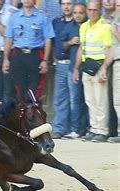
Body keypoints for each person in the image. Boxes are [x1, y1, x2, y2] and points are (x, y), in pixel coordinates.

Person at [73, 0, 112, 142]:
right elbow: (81, 48)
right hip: (86, 66)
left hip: (99, 66)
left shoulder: (105, 27)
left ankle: (102, 130)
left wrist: (104, 68)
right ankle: (94, 128)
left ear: (100, 10)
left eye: (95, 10)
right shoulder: (83, 27)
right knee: (90, 100)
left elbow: (109, 49)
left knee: (100, 99)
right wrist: (76, 68)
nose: (92, 12)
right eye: (90, 10)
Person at [3, 0, 55, 98]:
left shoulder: (43, 16)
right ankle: (22, 112)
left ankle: (34, 112)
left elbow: (48, 39)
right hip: (18, 55)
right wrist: (6, 59)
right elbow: (9, 38)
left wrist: (45, 60)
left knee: (34, 92)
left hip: (35, 55)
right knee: (20, 90)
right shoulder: (14, 16)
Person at [60, 2, 89, 139]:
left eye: (81, 13)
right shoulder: (68, 27)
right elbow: (62, 47)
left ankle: (88, 128)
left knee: (89, 100)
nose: (78, 15)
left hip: (90, 68)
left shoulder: (89, 26)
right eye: (75, 13)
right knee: (75, 100)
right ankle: (76, 129)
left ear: (86, 13)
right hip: (74, 69)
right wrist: (70, 42)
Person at [51, 0, 76, 139]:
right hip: (60, 64)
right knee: (59, 98)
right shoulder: (56, 22)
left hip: (74, 64)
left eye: (69, 3)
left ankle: (75, 128)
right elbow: (53, 42)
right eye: (64, 3)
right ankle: (60, 128)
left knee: (75, 98)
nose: (67, 6)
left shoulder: (79, 22)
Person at [100, 0, 120, 143]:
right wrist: (105, 67)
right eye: (118, 5)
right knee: (117, 101)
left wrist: (116, 32)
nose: (119, 8)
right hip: (117, 62)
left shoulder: (114, 24)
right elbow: (113, 48)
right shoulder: (115, 20)